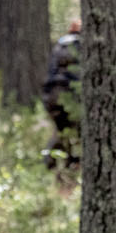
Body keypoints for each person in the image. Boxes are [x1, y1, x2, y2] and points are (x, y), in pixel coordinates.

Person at [42, 21, 83, 175]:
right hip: (70, 95)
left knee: (61, 131)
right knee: (77, 131)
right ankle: (71, 166)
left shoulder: (58, 46)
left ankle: (50, 165)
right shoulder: (81, 47)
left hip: (50, 96)